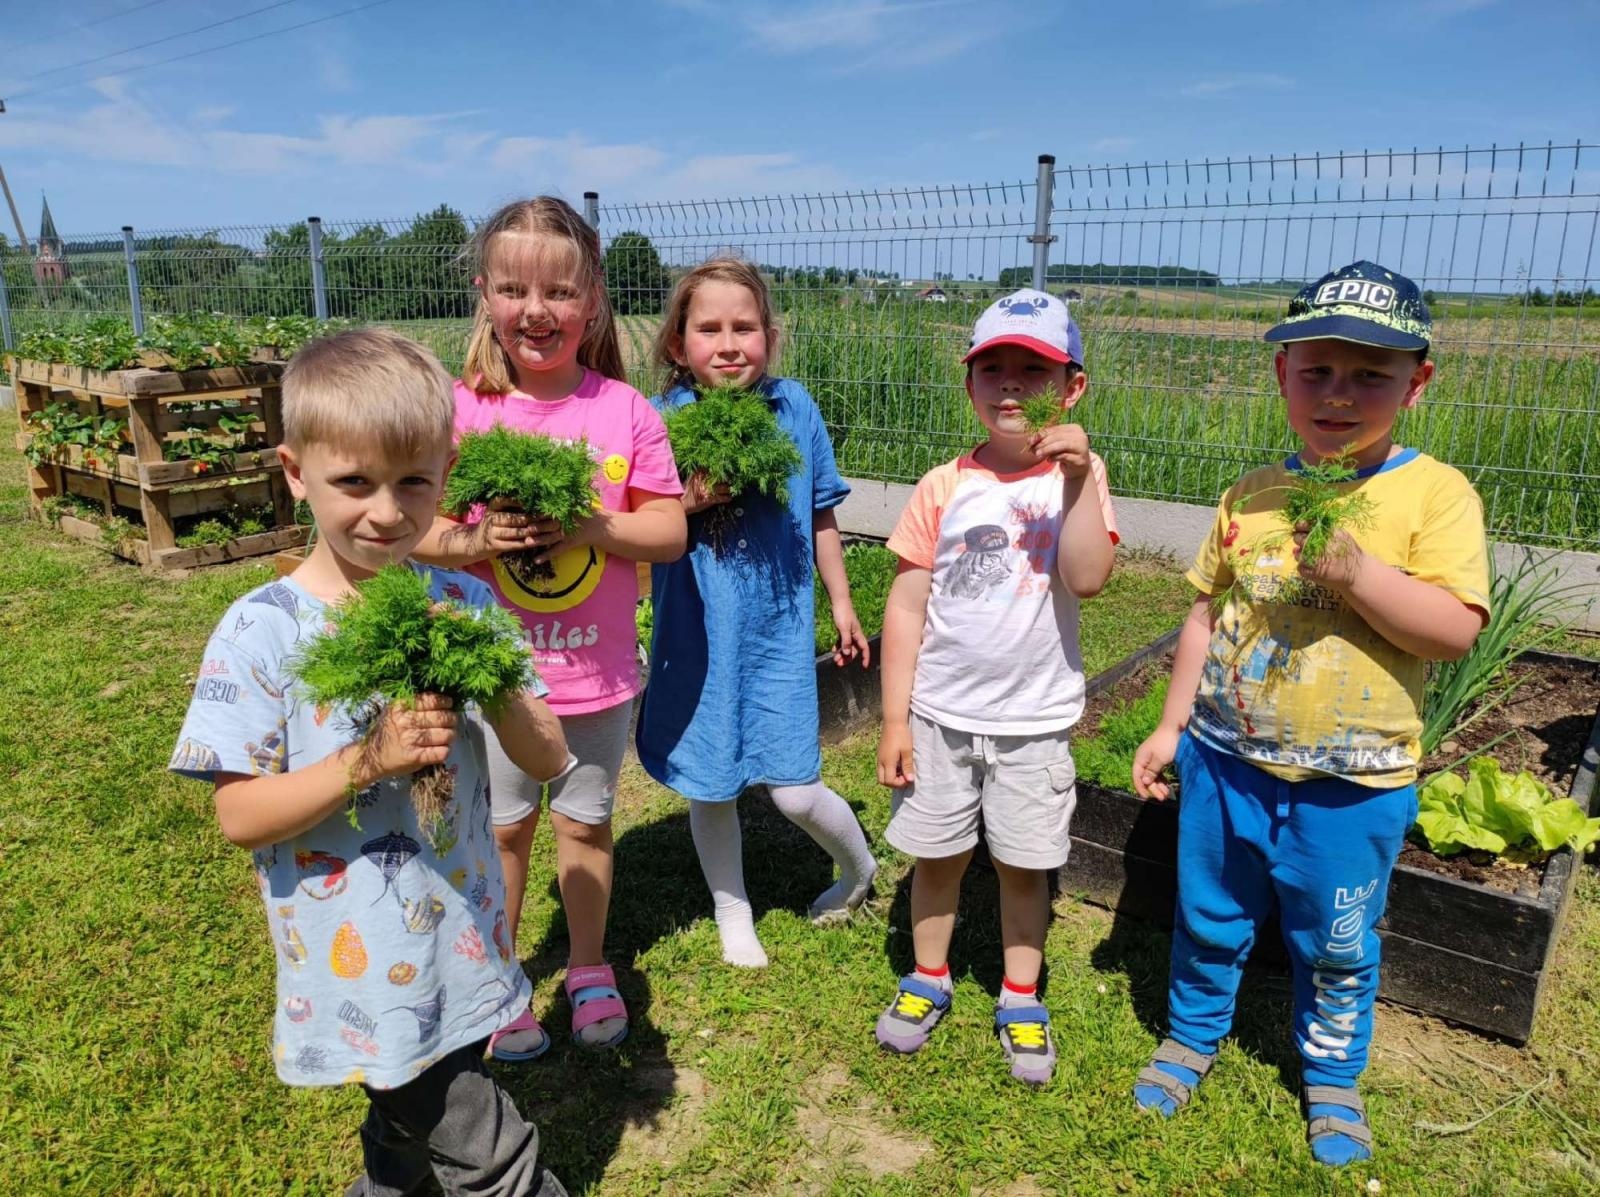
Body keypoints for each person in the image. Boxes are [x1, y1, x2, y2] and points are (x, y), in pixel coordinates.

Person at [169, 328, 571, 1196]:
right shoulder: (261, 629)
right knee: (488, 1152)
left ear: (445, 471)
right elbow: (240, 816)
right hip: (359, 960)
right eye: (354, 482)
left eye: (414, 482)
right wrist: (366, 760)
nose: (387, 512)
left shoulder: (464, 601)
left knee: (405, 1132)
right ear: (294, 470)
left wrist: (495, 680)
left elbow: (548, 757)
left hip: (460, 937)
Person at [1128, 261, 1490, 1166]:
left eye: (1371, 374)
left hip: (1353, 781)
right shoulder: (1252, 493)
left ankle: (1330, 1071)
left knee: (1335, 936)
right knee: (1208, 912)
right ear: (1280, 374)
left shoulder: (1434, 494)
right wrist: (1172, 726)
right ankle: (1192, 1032)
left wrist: (1363, 576)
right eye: (1317, 371)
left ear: (1419, 381)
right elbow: (1207, 610)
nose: (1339, 394)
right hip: (1226, 758)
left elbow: (1453, 630)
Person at [413, 197, 686, 1059]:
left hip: (597, 677)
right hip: (496, 678)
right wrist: (474, 540)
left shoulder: (624, 412)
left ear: (594, 299)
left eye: (560, 291)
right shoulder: (460, 412)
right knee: (500, 828)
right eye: (513, 288)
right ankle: (500, 974)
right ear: (485, 296)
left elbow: (669, 531)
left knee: (585, 822)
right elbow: (411, 530)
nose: (537, 310)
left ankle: (590, 965)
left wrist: (591, 527)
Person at [873, 288, 1118, 1086]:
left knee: (1024, 862)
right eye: (995, 369)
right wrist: (894, 719)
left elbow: (1087, 576)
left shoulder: (1076, 480)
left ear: (1071, 387)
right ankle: (929, 977)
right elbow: (907, 606)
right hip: (942, 715)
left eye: (1034, 370)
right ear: (970, 383)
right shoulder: (944, 484)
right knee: (937, 854)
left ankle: (1020, 993)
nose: (1012, 386)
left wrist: (1078, 481)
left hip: (1033, 721)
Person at [635, 256, 879, 968]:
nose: (729, 342)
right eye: (708, 328)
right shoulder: (661, 420)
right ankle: (732, 908)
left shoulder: (794, 407)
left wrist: (841, 601)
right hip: (698, 631)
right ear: (679, 344)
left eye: (745, 326)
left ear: (769, 335)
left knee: (795, 788)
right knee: (712, 779)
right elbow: (640, 523)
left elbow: (822, 512)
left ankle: (858, 868)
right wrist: (689, 499)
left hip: (777, 632)